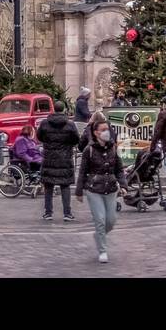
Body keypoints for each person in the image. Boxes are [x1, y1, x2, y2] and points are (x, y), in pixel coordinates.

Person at [75, 115, 127, 263]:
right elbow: (82, 171)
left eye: (108, 129)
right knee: (100, 220)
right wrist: (79, 191)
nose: (107, 132)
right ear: (96, 132)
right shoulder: (88, 150)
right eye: (103, 130)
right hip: (94, 189)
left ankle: (99, 235)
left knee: (111, 221)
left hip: (110, 188)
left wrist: (123, 185)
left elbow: (119, 169)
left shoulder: (113, 147)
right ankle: (102, 250)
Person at [38, 100, 79, 222]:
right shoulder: (70, 124)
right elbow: (76, 139)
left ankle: (48, 212)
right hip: (65, 158)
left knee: (48, 186)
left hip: (49, 158)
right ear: (64, 110)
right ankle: (67, 213)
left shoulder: (45, 123)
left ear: (54, 109)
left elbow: (39, 136)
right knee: (65, 186)